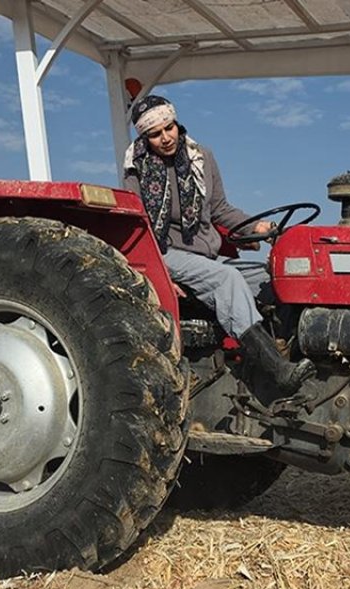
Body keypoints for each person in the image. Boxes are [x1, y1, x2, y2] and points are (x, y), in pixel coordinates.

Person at [123, 95, 314, 394]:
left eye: (169, 128)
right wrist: (157, 276)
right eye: (155, 134)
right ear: (145, 138)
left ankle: (288, 350)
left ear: (176, 123)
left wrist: (256, 226)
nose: (165, 138)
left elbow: (221, 208)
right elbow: (139, 224)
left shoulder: (202, 157)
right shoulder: (138, 168)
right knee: (228, 279)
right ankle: (276, 370)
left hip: (206, 254)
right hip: (167, 254)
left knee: (274, 278)